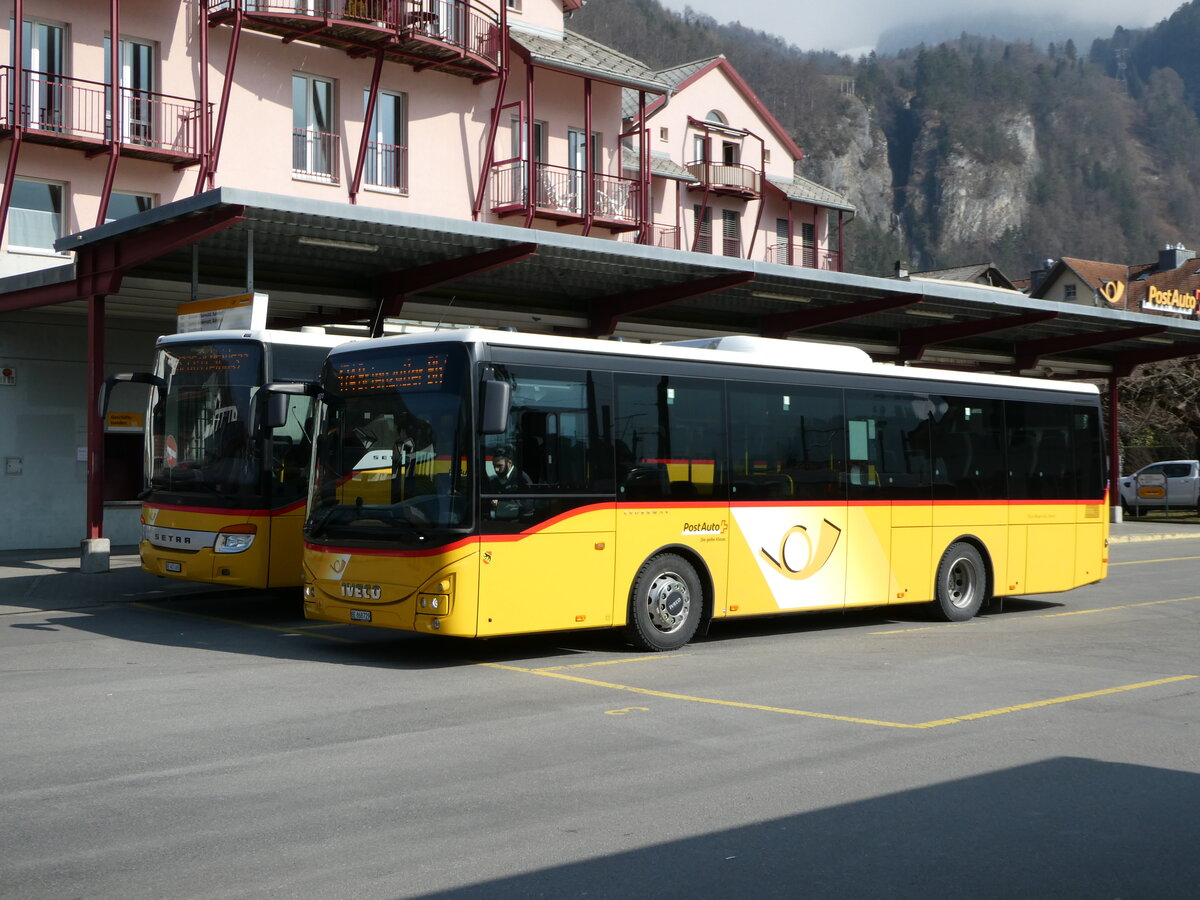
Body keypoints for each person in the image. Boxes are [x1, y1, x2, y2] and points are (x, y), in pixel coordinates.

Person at [487, 444, 532, 519]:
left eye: (499, 466)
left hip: (519, 521)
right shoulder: (494, 481)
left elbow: (529, 505)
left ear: (509, 463)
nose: (496, 470)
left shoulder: (521, 478)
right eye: (494, 466)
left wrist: (502, 504)